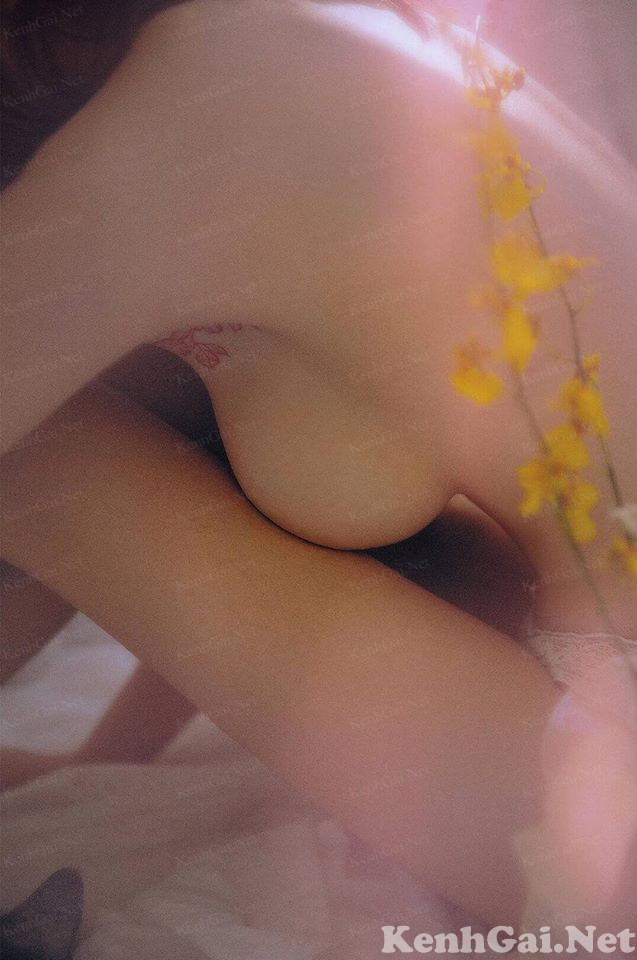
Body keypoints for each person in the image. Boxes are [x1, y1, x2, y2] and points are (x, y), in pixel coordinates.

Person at [2, 0, 636, 933]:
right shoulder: (282, 43)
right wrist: (109, 755)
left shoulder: (190, 102)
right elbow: (211, 486)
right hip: (582, 666)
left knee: (40, 448)